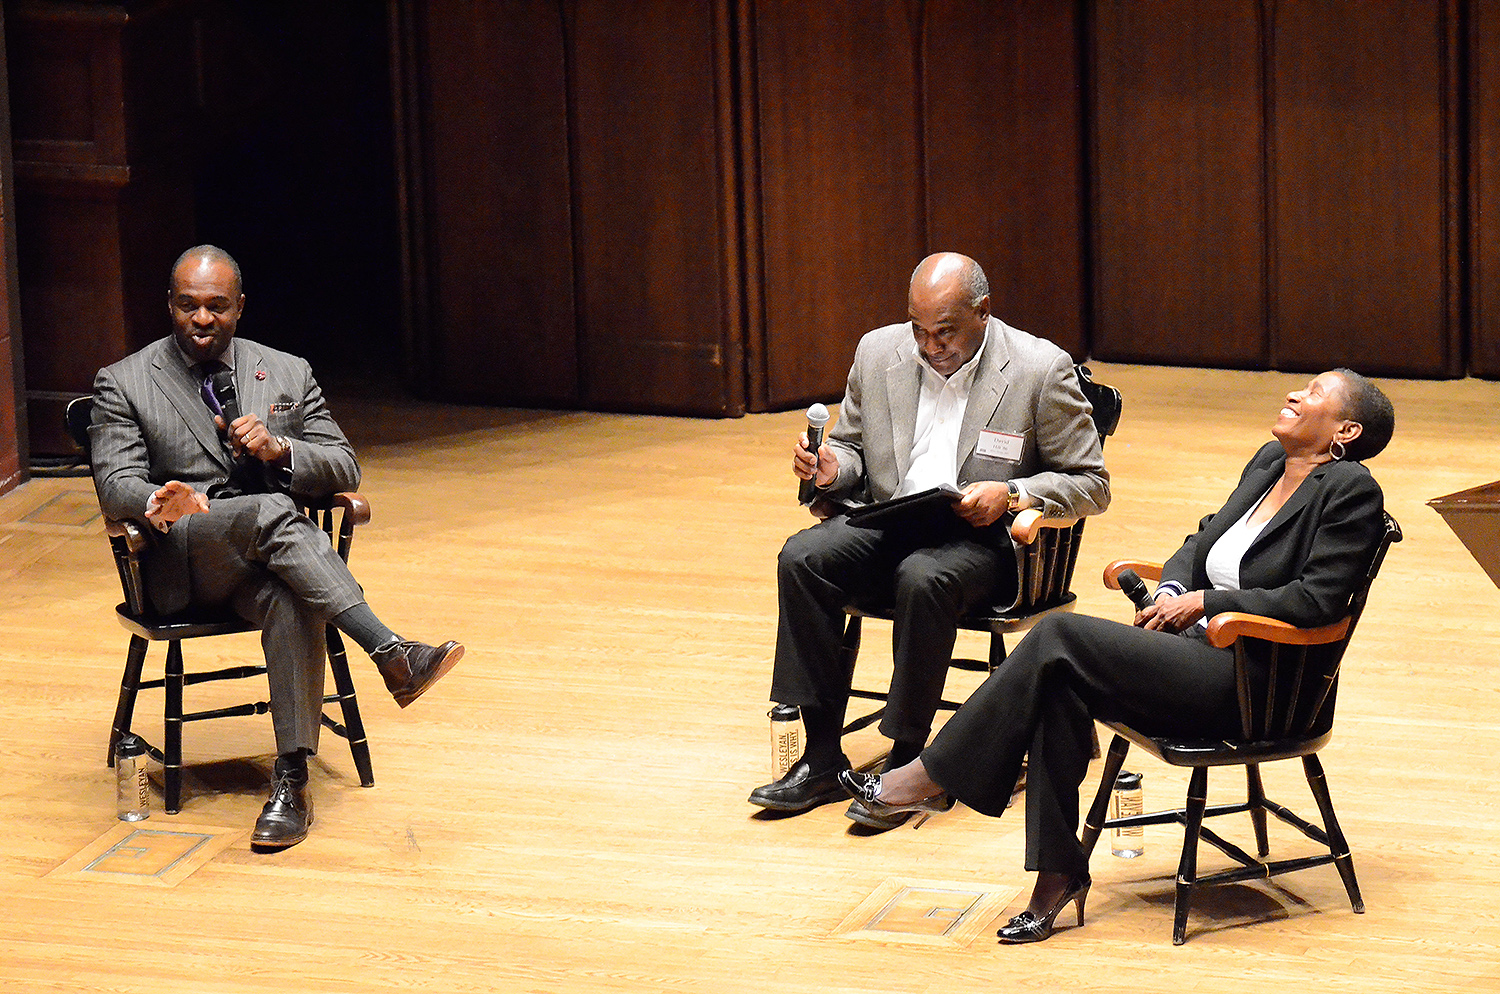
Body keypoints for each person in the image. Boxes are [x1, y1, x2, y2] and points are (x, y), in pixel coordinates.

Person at [837, 368, 1396, 942]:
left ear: (1345, 430)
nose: (1295, 394)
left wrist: (1210, 601)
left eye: (1315, 394)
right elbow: (1201, 542)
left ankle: (930, 776)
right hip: (1193, 656)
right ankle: (1055, 877)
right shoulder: (1267, 463)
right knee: (1058, 684)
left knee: (1060, 638)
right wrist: (1176, 589)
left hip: (1255, 682)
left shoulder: (1350, 489)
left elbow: (1320, 600)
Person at [89, 244, 465, 850]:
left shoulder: (287, 372)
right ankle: (390, 652)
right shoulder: (126, 381)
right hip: (184, 557)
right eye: (187, 306)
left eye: (216, 306)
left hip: (267, 559)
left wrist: (280, 450)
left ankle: (291, 780)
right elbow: (114, 485)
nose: (201, 320)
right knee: (273, 512)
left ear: (240, 308)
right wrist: (164, 496)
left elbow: (344, 465)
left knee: (291, 593)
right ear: (169, 305)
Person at [748, 252, 1110, 829]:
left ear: (982, 313)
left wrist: (1013, 492)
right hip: (893, 519)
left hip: (982, 539)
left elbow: (1091, 483)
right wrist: (828, 469)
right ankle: (819, 755)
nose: (929, 345)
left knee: (923, 576)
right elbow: (851, 452)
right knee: (804, 557)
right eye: (918, 330)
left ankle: (909, 760)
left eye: (944, 331)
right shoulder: (877, 351)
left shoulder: (1040, 368)